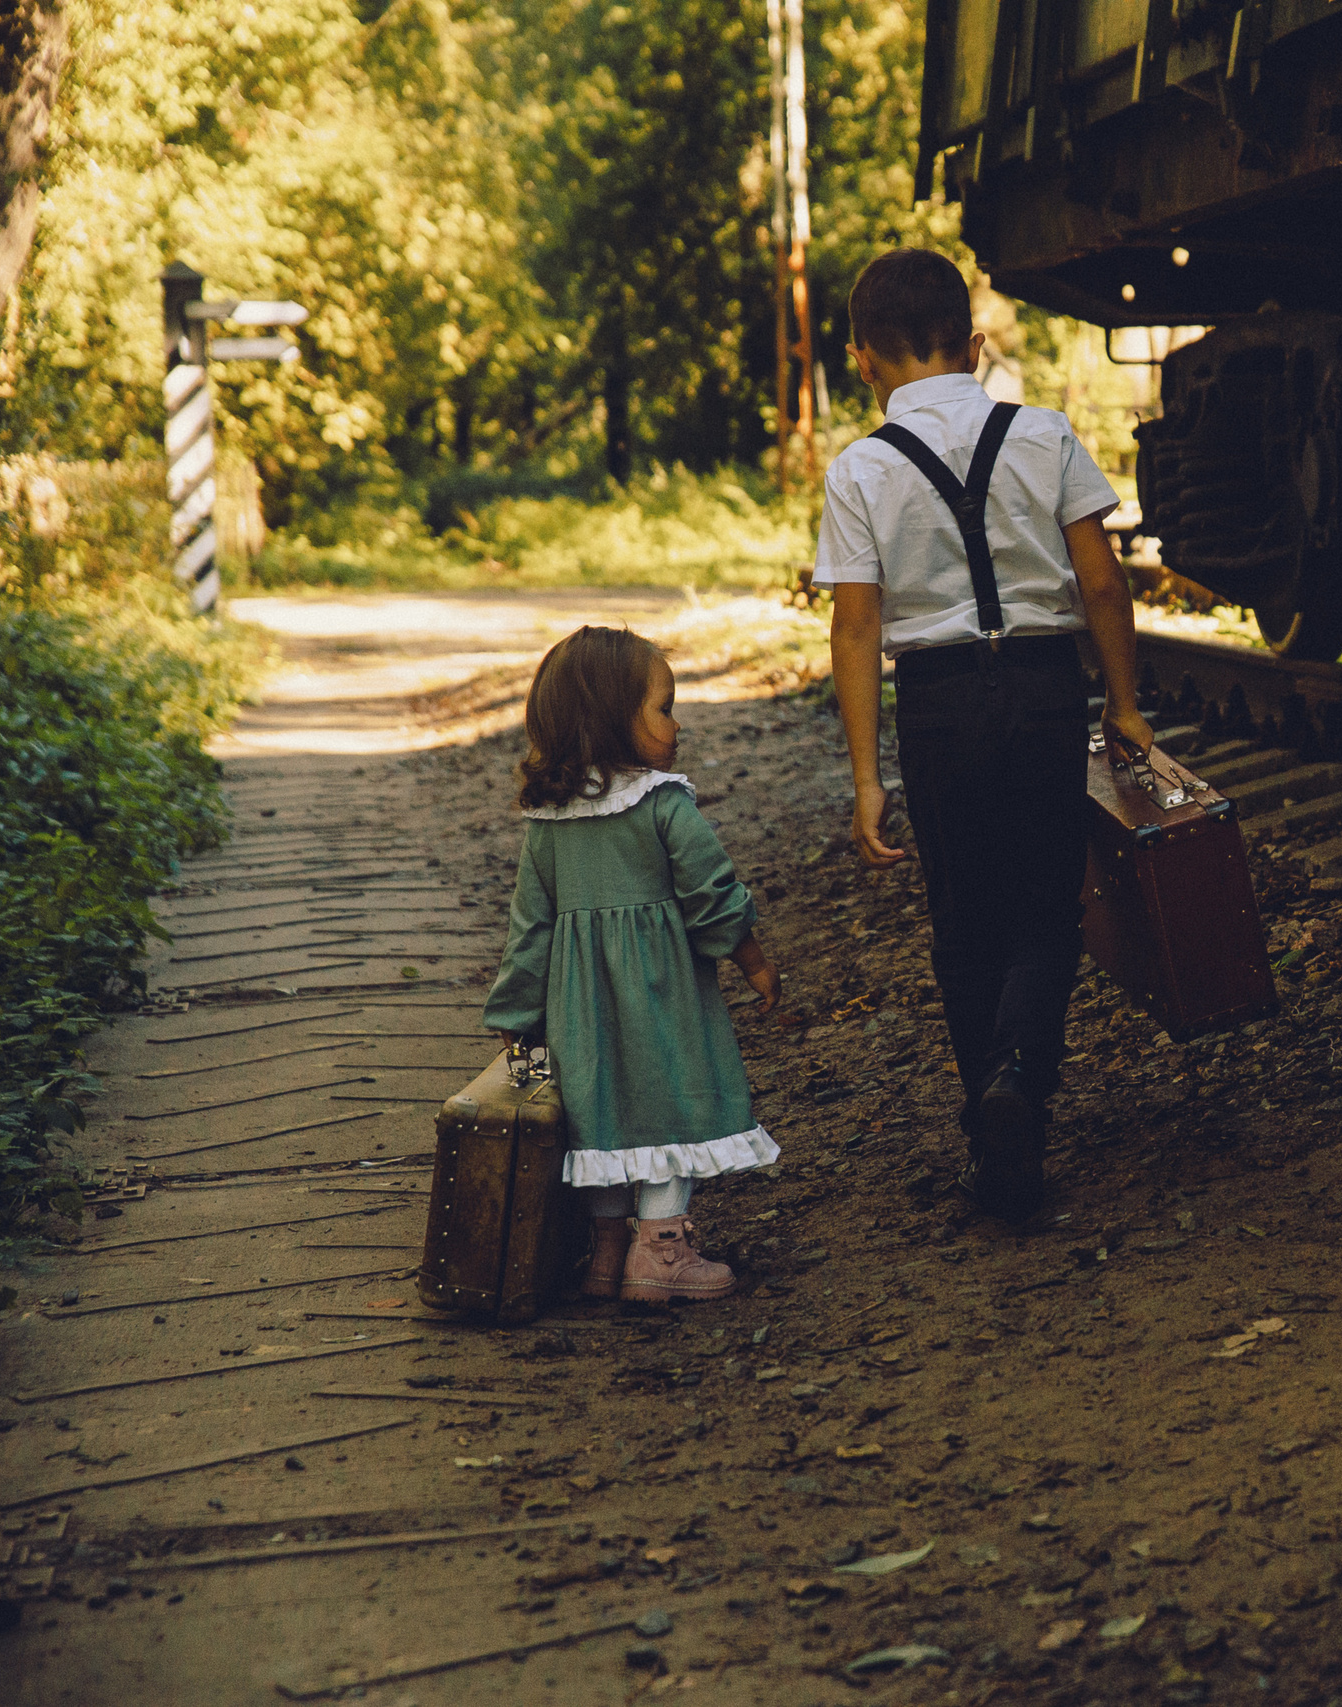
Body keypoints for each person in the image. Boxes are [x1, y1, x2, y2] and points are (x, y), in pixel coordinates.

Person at [815, 247, 1155, 1217]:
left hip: (938, 705)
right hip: (1042, 693)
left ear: (864, 362)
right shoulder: (1043, 434)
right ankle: (1019, 1082)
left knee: (964, 920)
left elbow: (855, 626)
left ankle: (992, 1135)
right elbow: (1101, 583)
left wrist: (867, 776)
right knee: (1049, 905)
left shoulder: (860, 469)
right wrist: (1121, 703)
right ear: (971, 347)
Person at [483, 626, 783, 1303]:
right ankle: (662, 1250)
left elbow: (529, 927)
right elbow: (713, 891)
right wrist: (754, 960)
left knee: (602, 1117)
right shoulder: (664, 803)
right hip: (664, 999)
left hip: (581, 1009)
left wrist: (516, 1011)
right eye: (665, 707)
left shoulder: (549, 821)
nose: (677, 724)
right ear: (614, 719)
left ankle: (607, 1251)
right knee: (670, 1106)